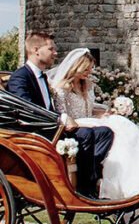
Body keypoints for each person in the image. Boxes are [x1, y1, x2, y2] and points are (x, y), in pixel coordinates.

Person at [49, 48, 139, 200]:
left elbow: (90, 108)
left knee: (122, 124)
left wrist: (106, 112)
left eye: (90, 69)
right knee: (115, 127)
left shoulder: (86, 85)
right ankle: (109, 179)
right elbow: (65, 116)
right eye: (85, 69)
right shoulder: (62, 89)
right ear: (75, 67)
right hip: (75, 124)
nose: (88, 72)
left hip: (89, 120)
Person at [7, 32, 113, 200]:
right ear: (36, 50)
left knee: (104, 133)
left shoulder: (43, 77)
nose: (55, 53)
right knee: (86, 134)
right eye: (51, 49)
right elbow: (28, 108)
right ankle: (84, 189)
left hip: (55, 129)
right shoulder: (20, 77)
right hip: (38, 133)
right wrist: (61, 118)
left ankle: (89, 178)